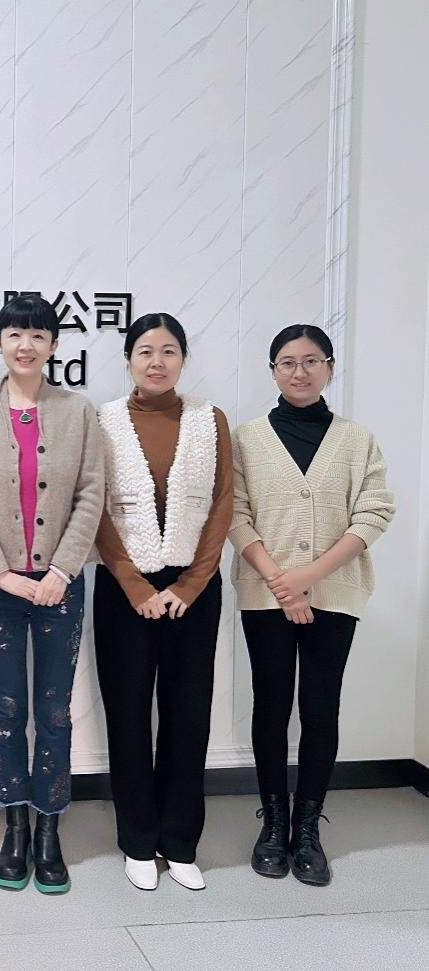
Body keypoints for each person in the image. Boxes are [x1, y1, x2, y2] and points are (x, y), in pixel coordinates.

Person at [229, 324, 394, 886]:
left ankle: (307, 829)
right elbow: (234, 514)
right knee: (271, 705)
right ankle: (274, 824)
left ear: (329, 367)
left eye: (311, 361)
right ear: (272, 370)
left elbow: (374, 512)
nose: (299, 372)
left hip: (334, 592)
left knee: (321, 708)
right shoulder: (247, 438)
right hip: (264, 595)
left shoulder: (356, 439)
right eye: (287, 362)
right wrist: (281, 582)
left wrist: (307, 578)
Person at [0, 296, 104, 894]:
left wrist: (63, 570)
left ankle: (49, 828)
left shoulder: (77, 412)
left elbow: (91, 492)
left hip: (61, 587)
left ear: (54, 346)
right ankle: (14, 826)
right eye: (14, 333)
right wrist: (0, 573)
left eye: (38, 335)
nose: (26, 345)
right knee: (8, 708)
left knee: (55, 711)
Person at [92, 312, 233, 892]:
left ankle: (180, 842)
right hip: (123, 587)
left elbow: (222, 503)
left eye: (169, 351)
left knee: (187, 714)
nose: (157, 361)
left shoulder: (209, 419)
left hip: (193, 589)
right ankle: (137, 841)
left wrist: (190, 585)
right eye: (145, 351)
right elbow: (95, 507)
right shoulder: (102, 421)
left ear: (183, 359)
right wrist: (135, 585)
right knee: (127, 716)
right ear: (129, 358)